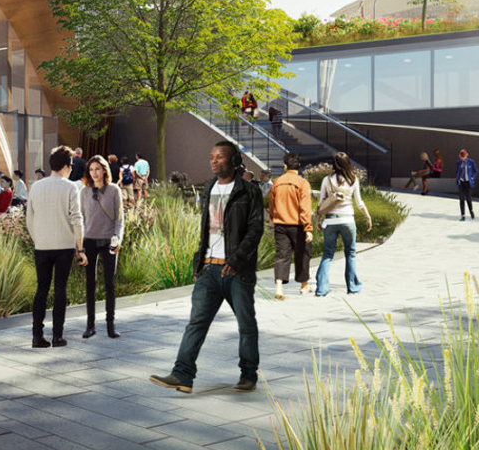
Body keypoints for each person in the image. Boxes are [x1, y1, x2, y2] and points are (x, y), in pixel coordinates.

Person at [151, 141, 262, 394]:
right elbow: (206, 230)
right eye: (211, 156)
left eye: (219, 157)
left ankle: (248, 375)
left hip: (237, 272)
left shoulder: (248, 191)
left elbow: (255, 229)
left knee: (246, 325)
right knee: (196, 323)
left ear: (234, 161)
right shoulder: (210, 187)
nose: (213, 161)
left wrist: (236, 260)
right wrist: (198, 263)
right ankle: (182, 375)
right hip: (209, 270)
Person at [26, 147, 85, 348]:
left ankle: (37, 336)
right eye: (71, 165)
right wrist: (80, 248)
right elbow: (76, 218)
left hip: (42, 245)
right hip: (64, 246)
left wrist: (38, 239)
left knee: (41, 289)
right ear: (66, 166)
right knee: (60, 289)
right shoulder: (70, 187)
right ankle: (57, 336)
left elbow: (29, 219)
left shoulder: (36, 187)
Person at [314, 152, 371, 297]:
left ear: (334, 164)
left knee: (327, 254)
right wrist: (367, 217)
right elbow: (359, 202)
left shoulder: (327, 180)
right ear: (347, 163)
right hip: (347, 220)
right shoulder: (353, 180)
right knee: (350, 254)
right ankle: (352, 287)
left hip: (330, 221)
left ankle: (321, 289)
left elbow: (321, 203)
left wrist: (317, 220)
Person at [80, 157, 124, 339]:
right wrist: (79, 245)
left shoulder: (114, 190)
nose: (94, 173)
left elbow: (119, 219)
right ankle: (90, 326)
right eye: (91, 169)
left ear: (104, 170)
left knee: (109, 284)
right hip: (89, 240)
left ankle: (110, 325)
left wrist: (118, 238)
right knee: (90, 283)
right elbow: (81, 218)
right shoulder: (84, 192)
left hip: (108, 241)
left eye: (97, 169)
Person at [267, 153, 313, 300]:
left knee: (282, 255)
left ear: (285, 166)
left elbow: (271, 205)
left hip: (280, 224)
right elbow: (305, 208)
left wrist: (273, 218)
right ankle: (303, 285)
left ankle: (279, 288)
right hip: (297, 225)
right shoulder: (303, 183)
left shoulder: (277, 182)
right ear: (299, 167)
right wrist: (308, 228)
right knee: (303, 254)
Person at [455, 149, 479, 221]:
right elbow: (457, 171)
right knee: (461, 199)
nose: (463, 158)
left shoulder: (471, 162)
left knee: (468, 199)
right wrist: (458, 178)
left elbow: (476, 171)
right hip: (461, 182)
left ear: (466, 155)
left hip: (468, 183)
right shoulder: (458, 162)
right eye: (461, 157)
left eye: (464, 157)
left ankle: (471, 211)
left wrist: (472, 178)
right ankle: (463, 215)